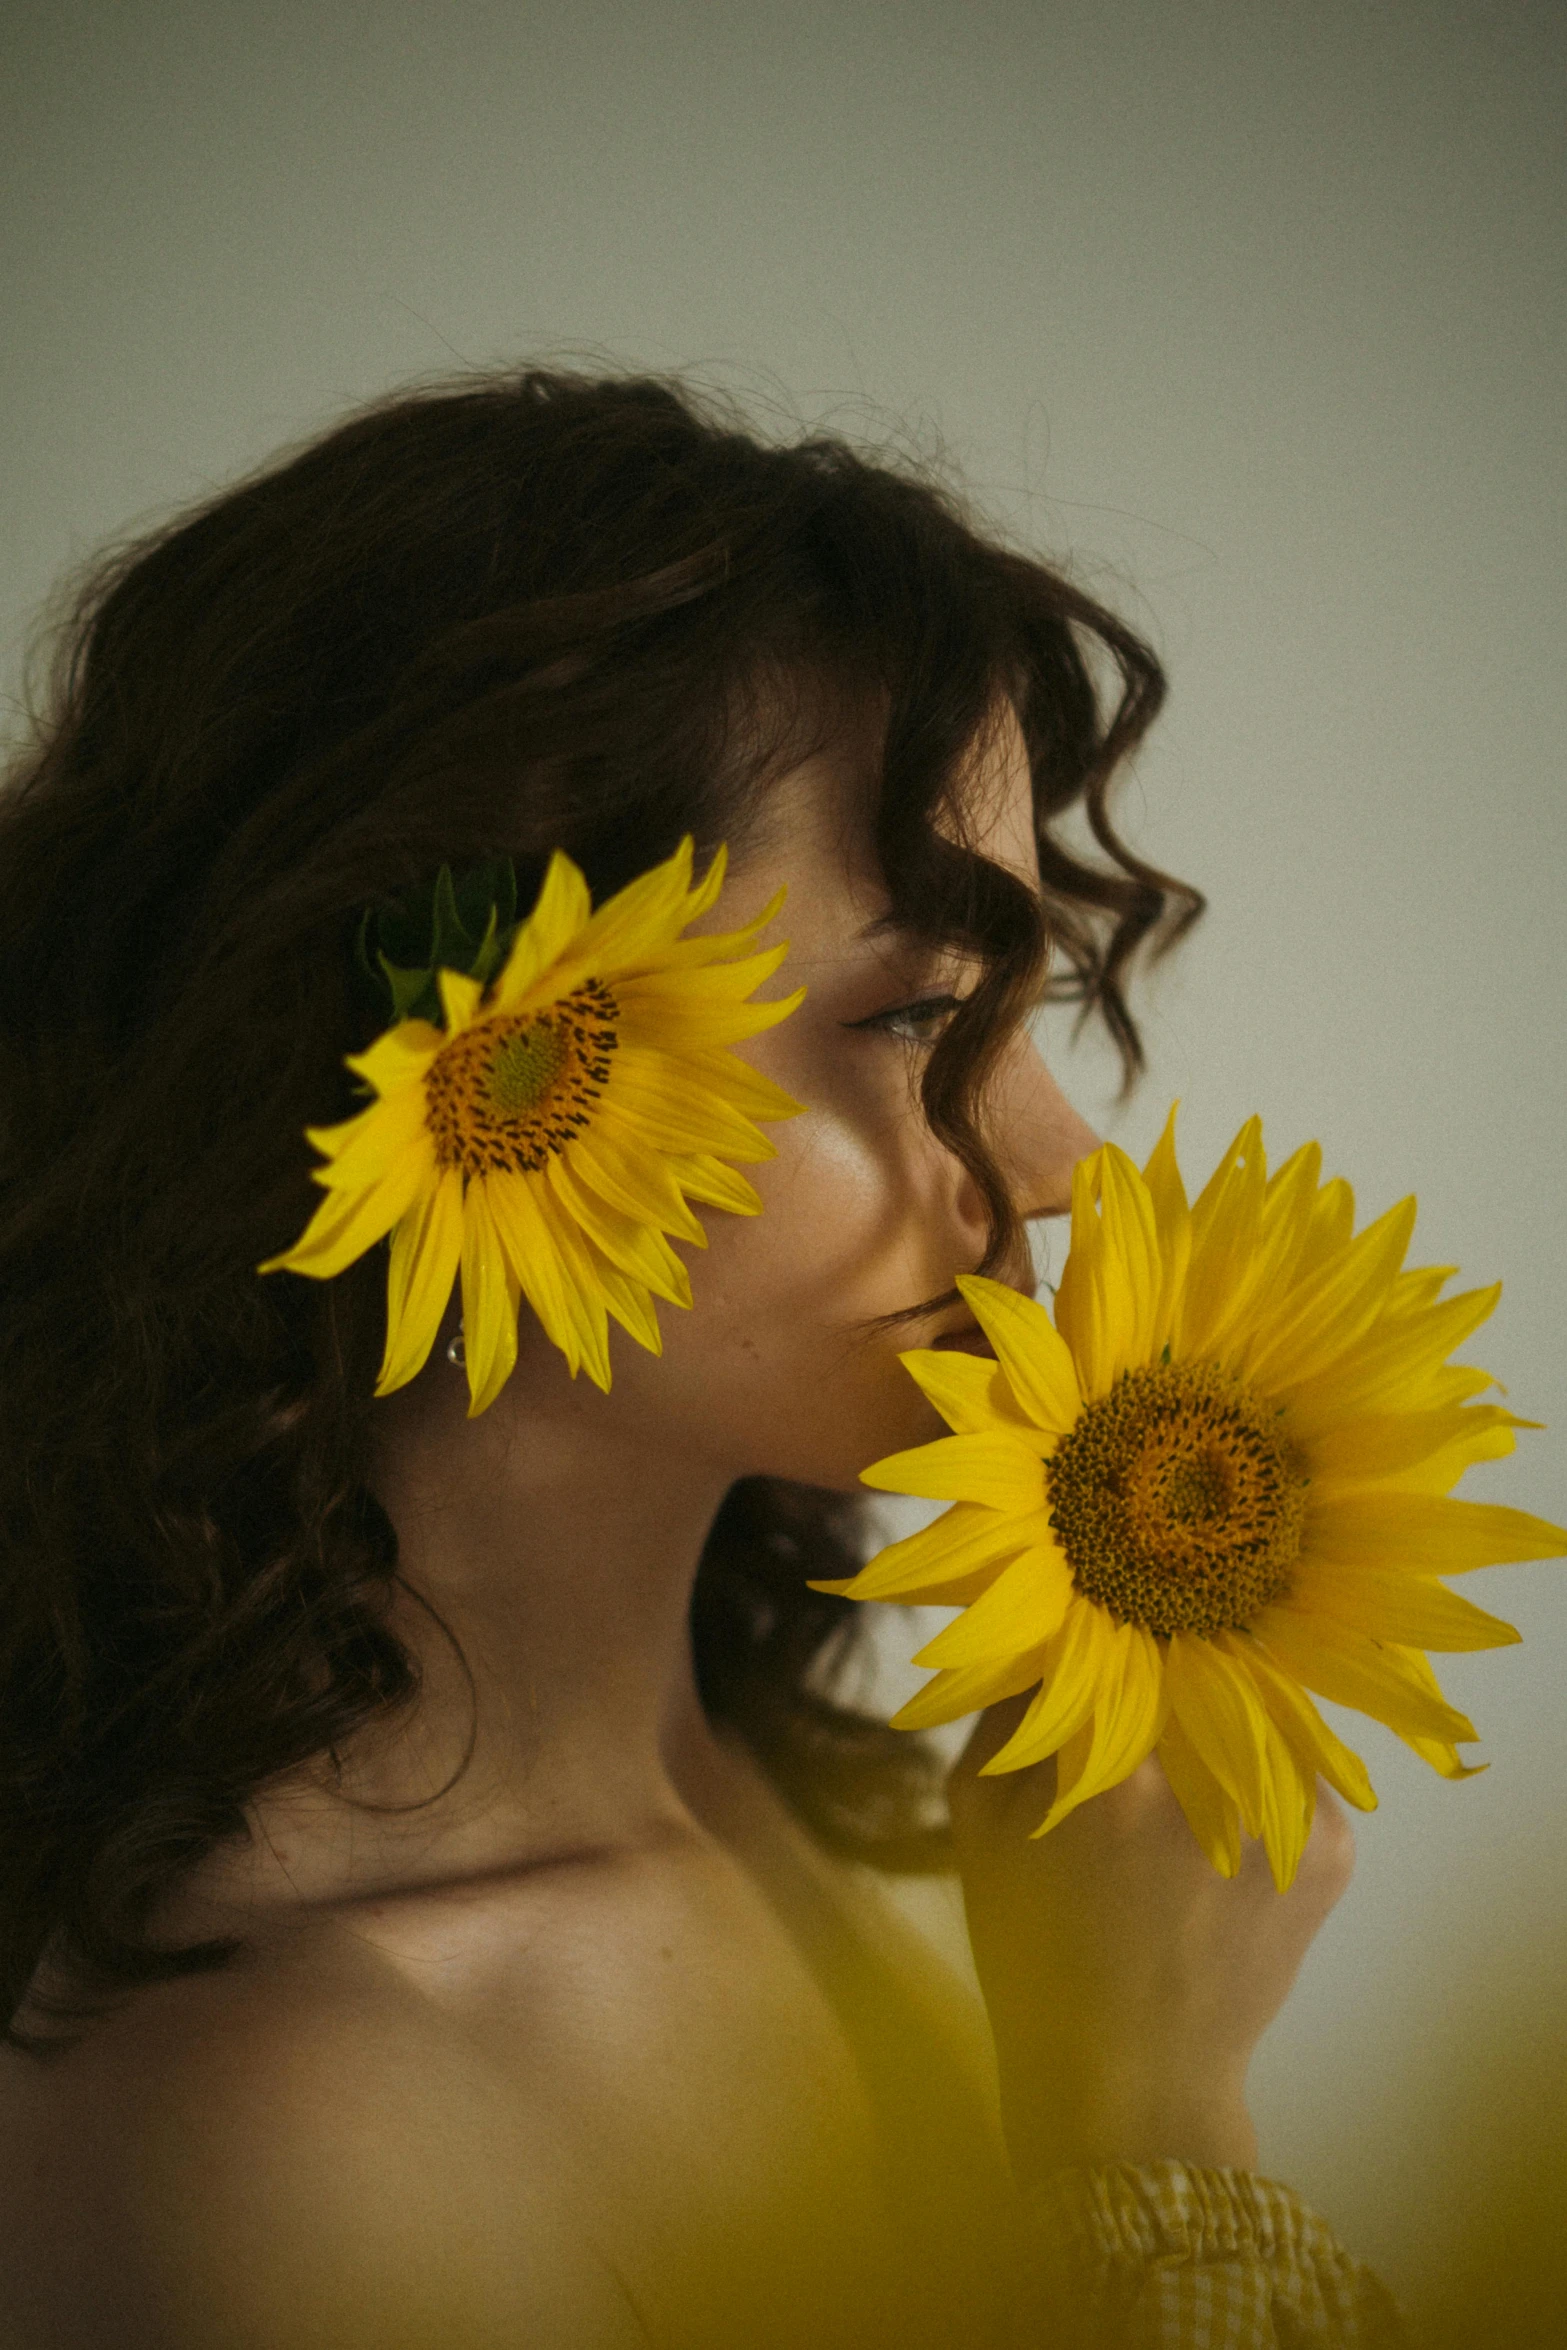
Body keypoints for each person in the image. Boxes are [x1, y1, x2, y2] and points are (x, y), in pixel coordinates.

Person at [0, 370, 1408, 2347]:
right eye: (919, 1017)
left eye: (1024, 1000)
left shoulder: (802, 1788)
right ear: (487, 1063)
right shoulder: (295, 2132)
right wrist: (1154, 2128)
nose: (1063, 1162)